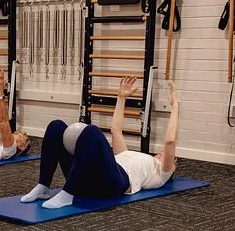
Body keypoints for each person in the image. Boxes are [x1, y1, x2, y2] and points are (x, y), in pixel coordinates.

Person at [21, 77, 179, 209]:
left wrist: (175, 106)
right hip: (93, 176)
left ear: (172, 167)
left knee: (93, 132)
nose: (162, 153)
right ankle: (43, 186)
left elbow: (170, 141)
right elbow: (116, 130)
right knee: (56, 126)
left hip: (114, 184)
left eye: (170, 157)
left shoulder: (162, 172)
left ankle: (68, 194)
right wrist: (121, 98)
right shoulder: (129, 155)